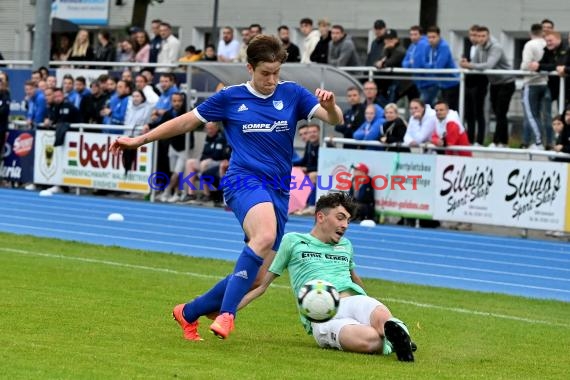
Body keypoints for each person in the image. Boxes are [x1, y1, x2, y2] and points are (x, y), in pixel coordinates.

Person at [109, 35, 343, 340]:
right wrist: (140, 140)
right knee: (266, 236)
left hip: (278, 189)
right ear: (249, 68)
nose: (272, 80)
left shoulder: (293, 94)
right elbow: (184, 122)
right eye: (264, 74)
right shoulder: (230, 98)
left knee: (258, 279)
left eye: (276, 73)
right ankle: (227, 315)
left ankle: (188, 312)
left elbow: (334, 120)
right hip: (243, 180)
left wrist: (331, 106)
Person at [238, 192, 416, 361]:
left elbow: (354, 278)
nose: (345, 225)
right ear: (321, 217)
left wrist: (368, 303)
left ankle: (395, 333)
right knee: (369, 341)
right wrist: (228, 311)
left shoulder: (345, 245)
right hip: (321, 315)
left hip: (353, 300)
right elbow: (262, 285)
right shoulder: (293, 241)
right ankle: (396, 338)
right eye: (340, 218)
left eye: (347, 220)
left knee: (380, 315)